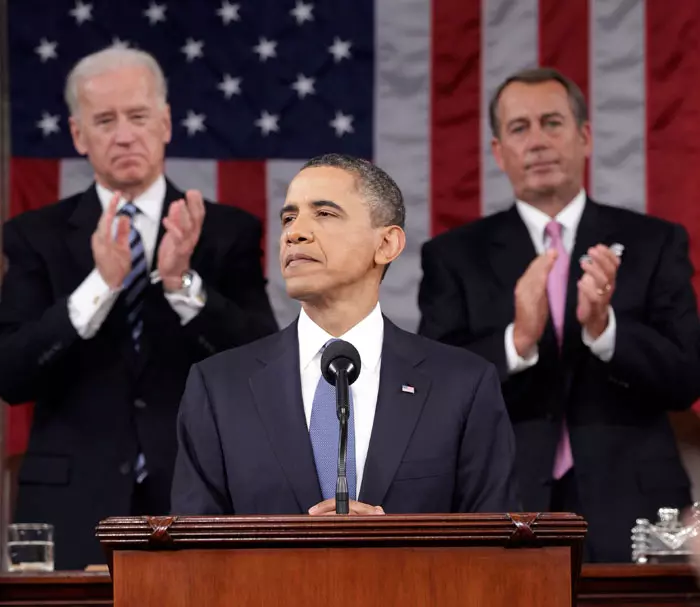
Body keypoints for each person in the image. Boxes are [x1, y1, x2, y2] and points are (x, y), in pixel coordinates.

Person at [0, 47, 278, 569]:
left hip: (196, 500)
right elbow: (10, 375)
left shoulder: (224, 232)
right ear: (79, 135)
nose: (124, 134)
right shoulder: (34, 236)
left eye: (138, 116)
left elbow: (261, 364)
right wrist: (99, 288)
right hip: (72, 506)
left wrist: (181, 282)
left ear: (166, 122)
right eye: (104, 120)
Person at [418, 67, 700, 562]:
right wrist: (518, 341)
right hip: (504, 507)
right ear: (498, 152)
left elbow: (686, 378)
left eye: (552, 122)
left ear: (585, 137)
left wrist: (605, 331)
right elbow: (435, 392)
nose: (539, 142)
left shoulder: (655, 242)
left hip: (635, 508)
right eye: (519, 128)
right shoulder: (453, 256)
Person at [171, 153, 520, 517]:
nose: (295, 232)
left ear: (386, 245)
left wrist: (392, 545)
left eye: (324, 214)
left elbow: (494, 550)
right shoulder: (218, 388)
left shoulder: (463, 385)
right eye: (289, 217)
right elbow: (195, 556)